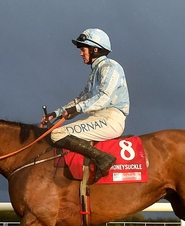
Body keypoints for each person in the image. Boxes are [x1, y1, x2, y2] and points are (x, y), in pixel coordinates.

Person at [41, 28, 130, 182]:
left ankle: (104, 159)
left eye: (83, 49)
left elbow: (104, 97)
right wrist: (55, 113)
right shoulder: (95, 73)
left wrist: (75, 109)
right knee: (58, 131)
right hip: (102, 117)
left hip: (111, 118)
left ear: (95, 49)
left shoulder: (110, 67)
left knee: (57, 134)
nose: (81, 53)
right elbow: (81, 100)